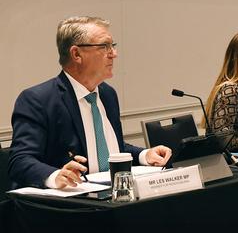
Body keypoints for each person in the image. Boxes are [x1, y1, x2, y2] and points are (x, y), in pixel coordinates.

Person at [8, 16, 171, 189]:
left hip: (110, 196)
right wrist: (56, 176)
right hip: (67, 206)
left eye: (113, 46)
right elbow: (20, 160)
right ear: (76, 54)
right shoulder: (38, 99)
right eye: (104, 46)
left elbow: (110, 149)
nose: (113, 54)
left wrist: (144, 155)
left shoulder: (107, 94)